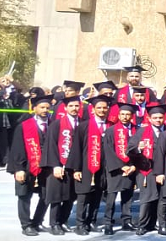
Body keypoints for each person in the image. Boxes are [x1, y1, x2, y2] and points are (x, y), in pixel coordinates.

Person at [8, 95, 52, 236]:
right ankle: (26, 225)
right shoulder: (24, 126)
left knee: (46, 195)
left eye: (47, 108)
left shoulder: (53, 125)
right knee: (24, 196)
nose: (45, 110)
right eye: (42, 107)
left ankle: (37, 222)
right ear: (34, 109)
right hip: (27, 166)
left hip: (46, 167)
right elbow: (17, 148)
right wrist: (19, 169)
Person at [69, 95, 111, 235]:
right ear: (93, 109)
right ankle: (80, 224)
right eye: (99, 107)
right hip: (86, 167)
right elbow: (76, 148)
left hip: (103, 168)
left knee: (97, 196)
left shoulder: (111, 125)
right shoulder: (83, 126)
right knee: (83, 197)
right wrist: (76, 168)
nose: (102, 110)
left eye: (105, 107)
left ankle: (91, 221)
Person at [42, 95, 81, 235]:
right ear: (65, 108)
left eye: (77, 106)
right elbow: (50, 146)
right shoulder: (57, 124)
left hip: (74, 167)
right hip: (59, 165)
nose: (74, 108)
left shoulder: (82, 123)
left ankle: (63, 221)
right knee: (57, 196)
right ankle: (54, 223)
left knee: (70, 196)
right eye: (71, 106)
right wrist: (55, 165)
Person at [127, 105, 166, 235]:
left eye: (160, 117)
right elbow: (130, 149)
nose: (158, 120)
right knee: (147, 198)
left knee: (159, 198)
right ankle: (142, 225)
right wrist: (139, 148)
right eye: (154, 118)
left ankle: (152, 224)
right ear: (149, 119)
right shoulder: (142, 132)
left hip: (164, 170)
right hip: (146, 169)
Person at [102, 103, 139, 234]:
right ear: (118, 115)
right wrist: (121, 166)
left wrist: (134, 166)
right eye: (122, 114)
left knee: (128, 196)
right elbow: (108, 150)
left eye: (127, 114)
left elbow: (140, 151)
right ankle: (108, 223)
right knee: (111, 197)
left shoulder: (137, 130)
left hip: (131, 168)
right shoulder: (111, 131)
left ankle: (126, 221)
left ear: (132, 116)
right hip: (115, 169)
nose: (125, 117)